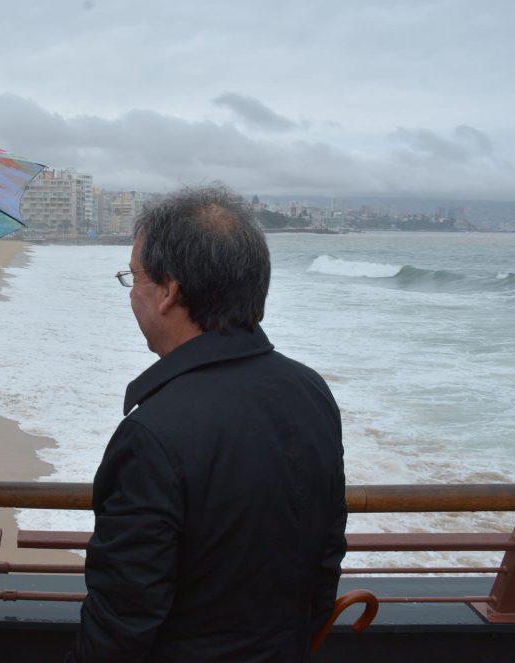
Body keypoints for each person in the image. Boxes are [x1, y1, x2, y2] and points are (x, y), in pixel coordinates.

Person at [68, 187, 347, 662]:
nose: (131, 292)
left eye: (133, 277)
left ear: (169, 291)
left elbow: (123, 619)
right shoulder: (310, 391)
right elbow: (325, 558)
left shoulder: (153, 434)